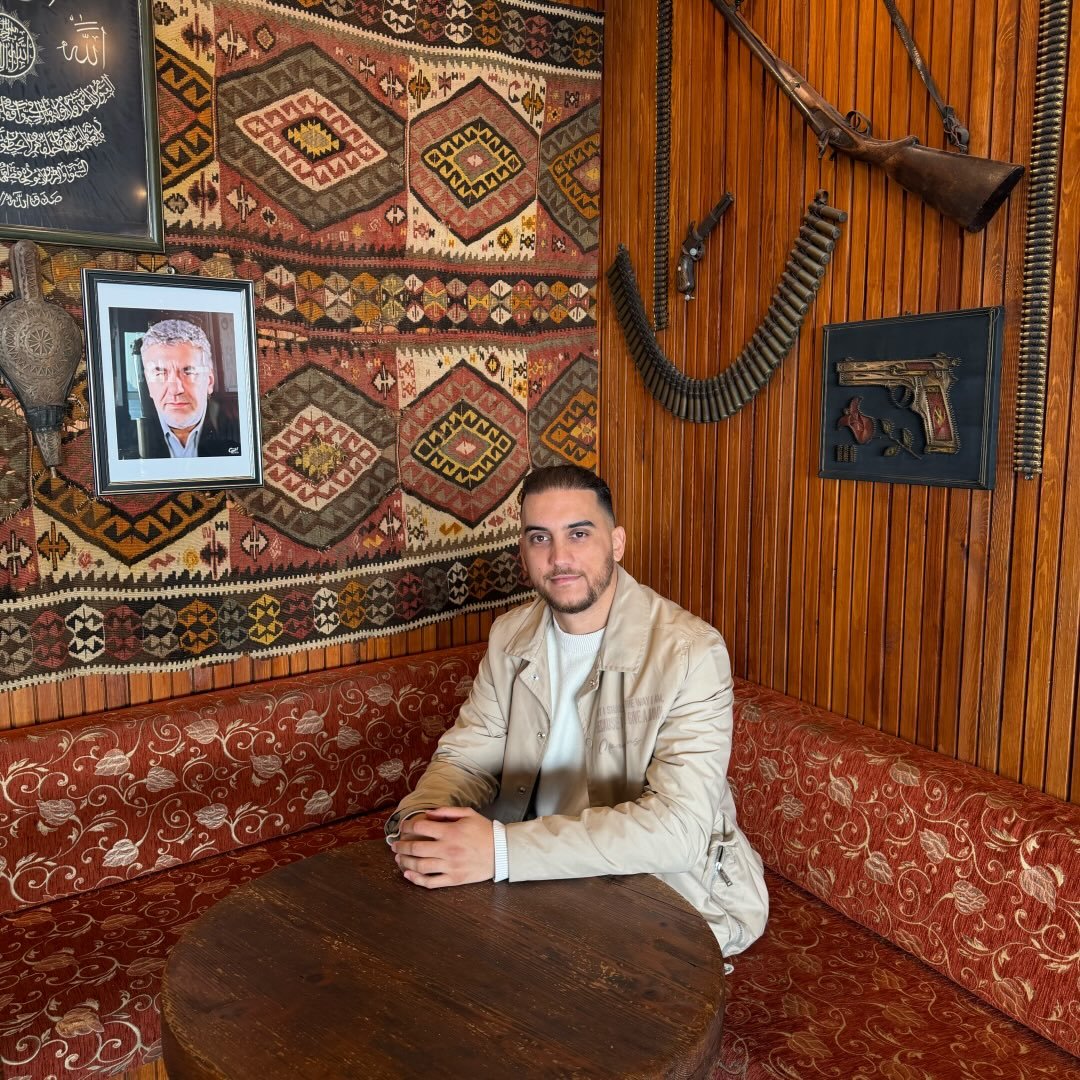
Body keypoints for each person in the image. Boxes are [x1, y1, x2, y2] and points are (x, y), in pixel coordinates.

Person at [387, 465, 768, 957]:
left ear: (617, 543)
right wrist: (423, 821)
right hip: (537, 877)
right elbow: (467, 759)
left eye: (579, 534)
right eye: (539, 538)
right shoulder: (510, 636)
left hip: (673, 895)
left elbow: (677, 832)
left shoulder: (691, 651)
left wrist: (500, 850)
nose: (559, 557)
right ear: (523, 552)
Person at [122, 318, 241, 459]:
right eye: (160, 374)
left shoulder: (239, 436)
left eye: (188, 372)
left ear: (209, 381)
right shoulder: (128, 443)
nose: (175, 390)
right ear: (149, 386)